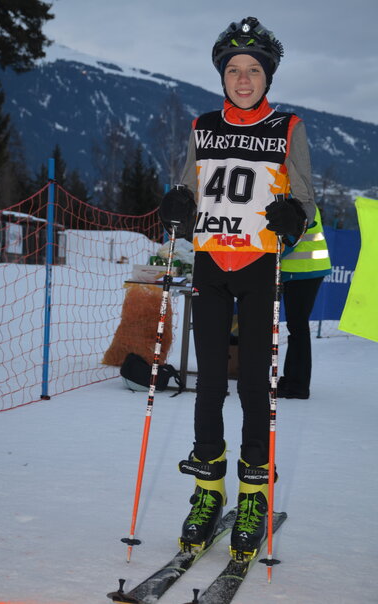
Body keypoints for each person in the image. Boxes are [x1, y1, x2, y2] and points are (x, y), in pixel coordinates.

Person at [159, 16, 316, 560]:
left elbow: (305, 197)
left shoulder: (288, 126)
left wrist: (292, 216)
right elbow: (188, 184)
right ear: (221, 75)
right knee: (206, 385)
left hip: (256, 265)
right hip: (209, 264)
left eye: (253, 70)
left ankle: (253, 496)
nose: (243, 78)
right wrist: (178, 202)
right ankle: (207, 491)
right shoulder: (203, 126)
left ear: (267, 76)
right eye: (234, 69)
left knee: (253, 383)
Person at [278, 206, 332, 399]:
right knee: (296, 327)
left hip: (305, 270)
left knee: (298, 326)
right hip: (301, 270)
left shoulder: (296, 200)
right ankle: (291, 379)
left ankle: (298, 385)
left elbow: (292, 238)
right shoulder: (299, 197)